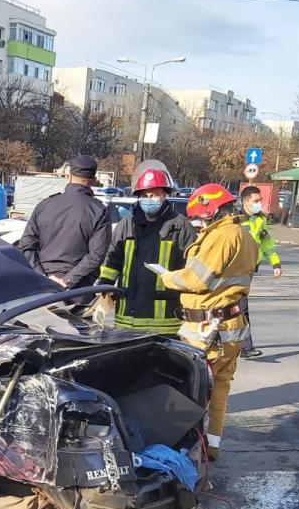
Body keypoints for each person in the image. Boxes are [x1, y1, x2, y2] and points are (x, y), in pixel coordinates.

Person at [160, 184, 258, 459]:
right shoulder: (244, 236)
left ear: (212, 210)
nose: (200, 223)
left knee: (195, 389)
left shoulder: (222, 237)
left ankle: (190, 448)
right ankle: (211, 447)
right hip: (231, 326)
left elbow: (197, 279)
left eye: (202, 217)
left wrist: (167, 277)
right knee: (220, 390)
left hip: (207, 329)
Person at [97, 161, 196, 333]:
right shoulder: (127, 225)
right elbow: (111, 264)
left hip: (165, 321)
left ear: (165, 195)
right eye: (146, 195)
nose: (150, 199)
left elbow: (192, 271)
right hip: (127, 319)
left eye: (155, 194)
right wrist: (104, 288)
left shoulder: (180, 226)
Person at [18, 155, 111, 290]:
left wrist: (43, 277)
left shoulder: (44, 205)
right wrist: (67, 280)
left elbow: (26, 246)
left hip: (41, 290)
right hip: (77, 292)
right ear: (94, 180)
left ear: (69, 176)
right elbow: (96, 256)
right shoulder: (99, 211)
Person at [238, 186, 282, 359]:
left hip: (249, 269)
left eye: (260, 200)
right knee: (240, 307)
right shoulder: (234, 220)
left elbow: (266, 243)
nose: (259, 204)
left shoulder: (259, 220)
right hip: (234, 269)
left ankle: (241, 345)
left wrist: (275, 263)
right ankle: (245, 347)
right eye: (256, 201)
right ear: (245, 201)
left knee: (237, 307)